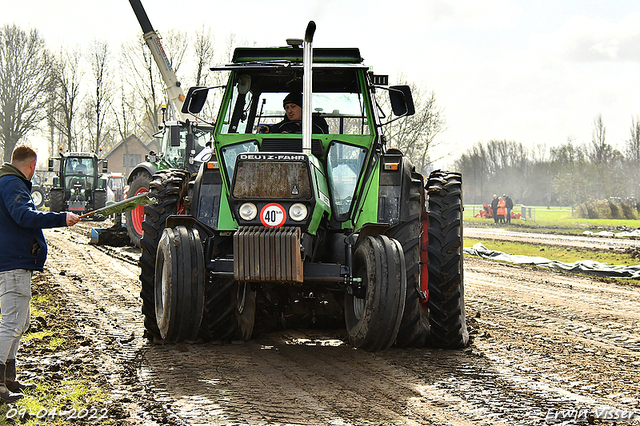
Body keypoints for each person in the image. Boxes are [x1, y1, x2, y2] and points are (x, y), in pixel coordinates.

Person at [0, 145, 81, 402]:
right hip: (13, 263)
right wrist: (61, 218)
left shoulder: (7, 181)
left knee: (20, 323)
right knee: (12, 323)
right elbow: (24, 216)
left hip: (14, 261)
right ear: (32, 166)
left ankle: (9, 378)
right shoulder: (13, 183)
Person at [258, 92, 329, 134]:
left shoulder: (318, 124)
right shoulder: (283, 126)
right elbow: (272, 129)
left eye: (293, 106)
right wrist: (267, 129)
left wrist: (292, 137)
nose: (289, 111)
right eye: (287, 108)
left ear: (303, 108)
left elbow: (321, 140)